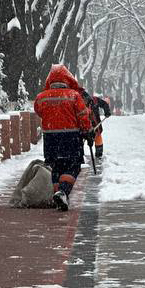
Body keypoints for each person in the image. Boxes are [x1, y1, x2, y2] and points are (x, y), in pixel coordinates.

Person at [34, 64, 93, 211]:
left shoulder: (41, 97)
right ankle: (63, 191)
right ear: (68, 79)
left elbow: (39, 111)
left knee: (56, 166)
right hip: (70, 136)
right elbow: (82, 116)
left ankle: (58, 196)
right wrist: (87, 131)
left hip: (50, 138)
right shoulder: (73, 95)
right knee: (72, 165)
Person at [89, 93, 113, 159]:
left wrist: (107, 111)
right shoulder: (78, 99)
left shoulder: (94, 100)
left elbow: (104, 104)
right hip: (83, 122)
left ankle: (99, 154)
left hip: (95, 122)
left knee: (97, 135)